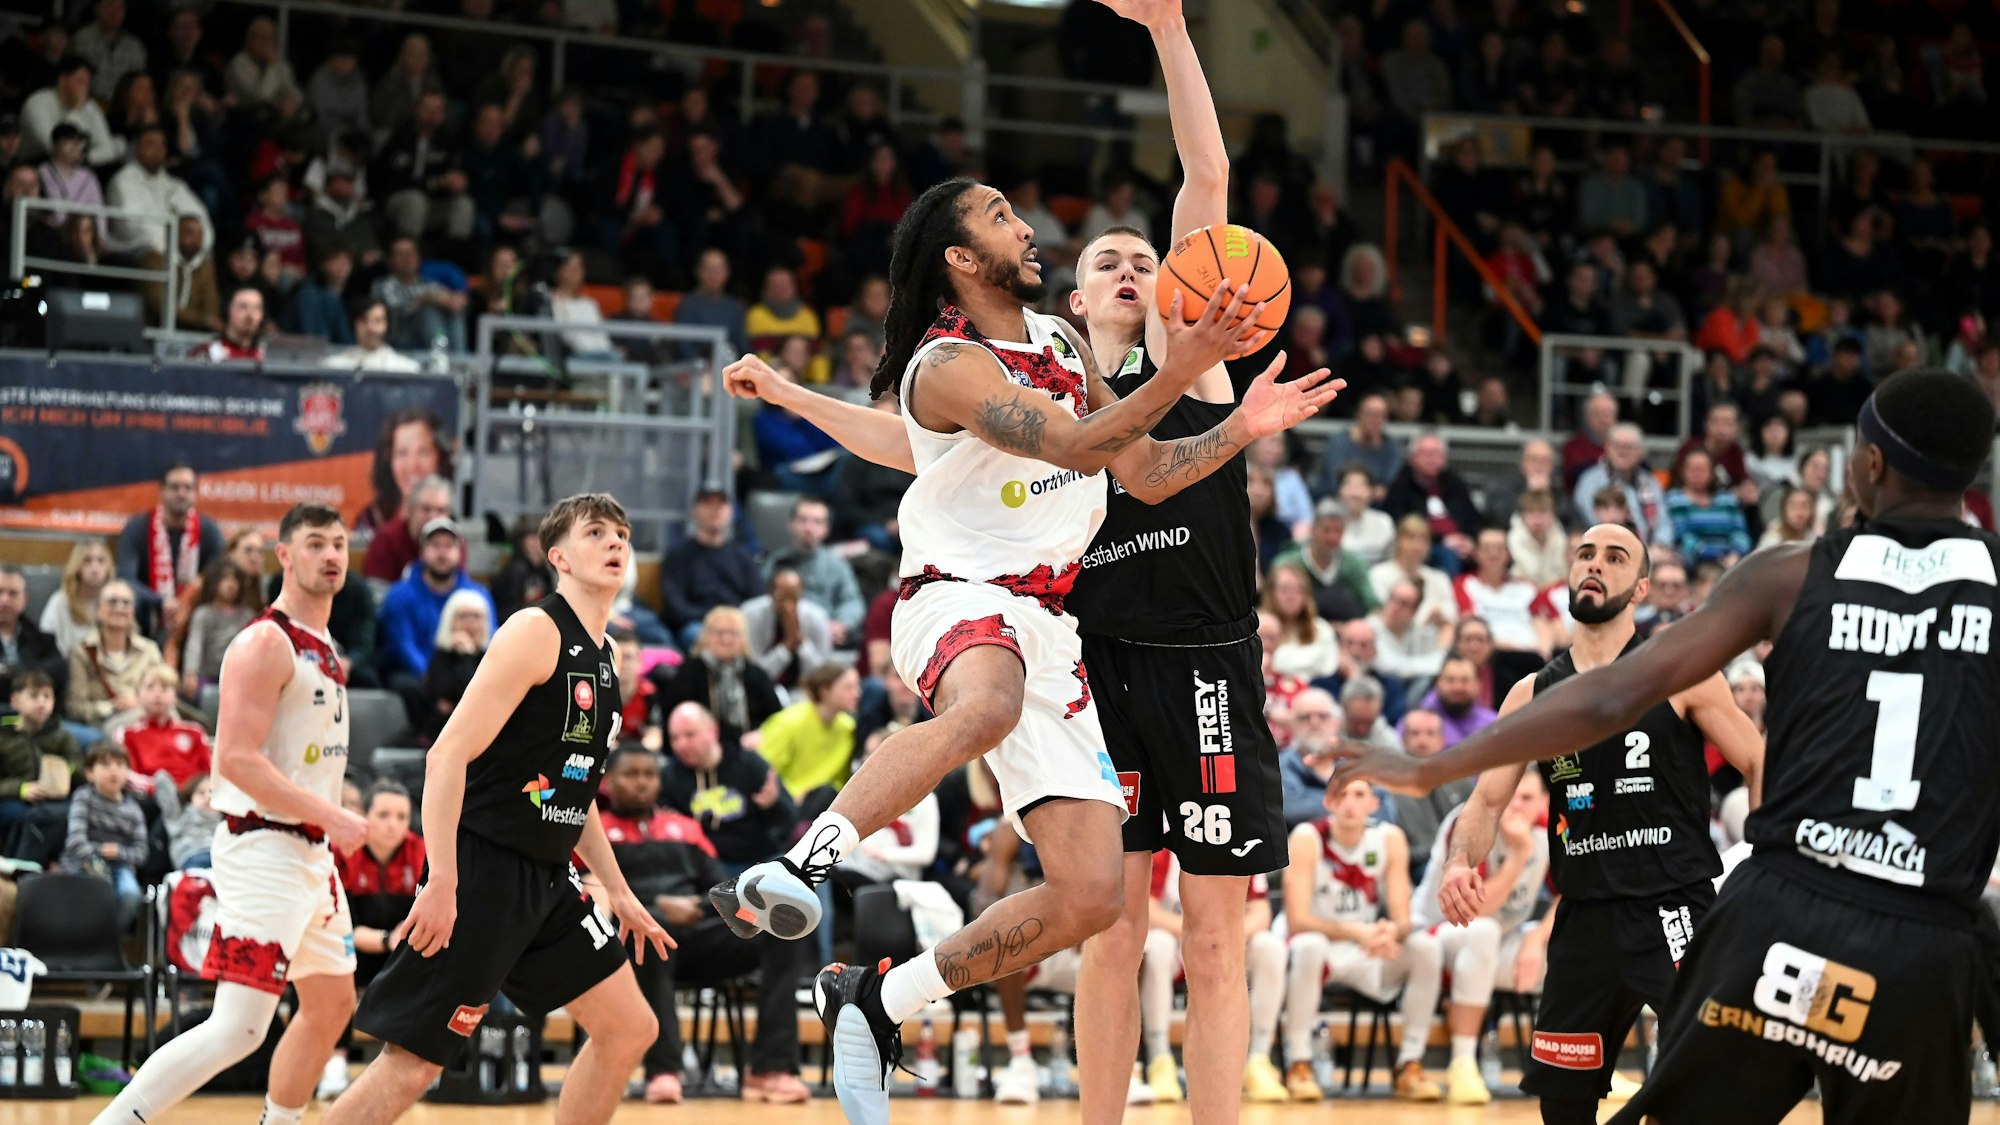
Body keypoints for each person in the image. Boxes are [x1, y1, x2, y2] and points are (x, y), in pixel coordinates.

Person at [709, 167, 1333, 1125]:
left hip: (1054, 629)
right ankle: (802, 863)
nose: (1026, 227)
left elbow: (1148, 470)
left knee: (1090, 899)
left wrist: (1242, 424)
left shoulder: (1059, 343)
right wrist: (1182, 368)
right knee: (988, 703)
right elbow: (1076, 446)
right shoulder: (943, 364)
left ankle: (884, 996)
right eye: (1002, 217)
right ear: (961, 258)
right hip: (956, 596)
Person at [1335, 521, 1766, 1125]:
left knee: (1706, 1084)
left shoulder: (1680, 671)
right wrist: (1460, 860)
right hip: (1584, 915)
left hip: (1673, 907)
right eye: (1586, 553)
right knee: (1563, 1104)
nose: (1596, 564)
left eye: (1616, 558)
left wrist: (1768, 863)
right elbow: (1485, 804)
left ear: (1642, 587)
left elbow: (1757, 762)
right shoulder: (1532, 693)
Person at [332, 495, 670, 1125]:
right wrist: (441, 879)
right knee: (417, 1062)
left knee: (629, 1028)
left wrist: (619, 892)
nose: (616, 542)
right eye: (597, 532)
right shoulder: (535, 630)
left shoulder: (605, 660)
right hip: (483, 871)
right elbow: (445, 757)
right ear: (558, 556)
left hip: (547, 881)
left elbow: (578, 793)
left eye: (623, 533)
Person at [91, 503, 368, 1125]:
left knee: (329, 1002)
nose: (331, 556)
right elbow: (236, 761)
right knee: (239, 1029)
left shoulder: (324, 647)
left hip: (310, 855)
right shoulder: (265, 642)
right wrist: (335, 812)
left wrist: (327, 820)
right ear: (285, 556)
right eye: (316, 543)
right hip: (264, 848)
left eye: (340, 545)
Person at [597, 745, 809, 1105]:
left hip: (696, 937)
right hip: (631, 941)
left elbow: (722, 891)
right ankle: (663, 1070)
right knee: (649, 930)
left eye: (649, 775)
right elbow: (589, 894)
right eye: (631, 775)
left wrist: (695, 904)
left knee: (779, 930)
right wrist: (654, 908)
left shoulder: (685, 827)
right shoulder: (597, 833)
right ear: (608, 782)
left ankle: (770, 1069)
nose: (642, 784)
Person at [1280, 778, 1444, 1101]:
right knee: (1309, 946)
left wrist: (1389, 932)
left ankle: (1409, 1062)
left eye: (1359, 795)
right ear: (1328, 801)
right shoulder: (1307, 837)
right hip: (1317, 946)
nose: (1350, 803)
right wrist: (1355, 931)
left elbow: (1403, 917)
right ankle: (1298, 1062)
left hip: (1365, 949)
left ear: (1374, 804)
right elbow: (1297, 921)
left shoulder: (1388, 838)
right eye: (1341, 795)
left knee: (1425, 947)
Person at [1407, 769, 1552, 1104]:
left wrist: (1535, 940)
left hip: (1499, 941)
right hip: (1436, 934)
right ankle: (1462, 1062)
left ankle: (1587, 1067)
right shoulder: (1471, 824)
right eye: (1511, 795)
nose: (1516, 806)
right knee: (1483, 932)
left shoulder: (1550, 828)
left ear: (1544, 801)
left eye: (1527, 798)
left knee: (1573, 951)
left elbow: (1569, 894)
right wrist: (1517, 857)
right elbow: (1476, 911)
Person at [1142, 850, 1286, 1103]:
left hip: (1227, 942)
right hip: (1176, 940)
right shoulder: (1162, 849)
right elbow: (1148, 911)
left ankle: (1259, 1059)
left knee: (1271, 948)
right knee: (1158, 945)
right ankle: (1159, 1058)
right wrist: (1199, 935)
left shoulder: (1243, 839)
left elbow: (1261, 913)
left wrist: (1224, 938)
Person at [328, 780, 425, 1097]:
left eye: (401, 816)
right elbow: (340, 927)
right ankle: (334, 1064)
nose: (393, 824)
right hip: (353, 948)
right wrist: (386, 939)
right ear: (364, 816)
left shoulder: (422, 852)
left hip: (406, 950)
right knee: (327, 970)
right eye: (383, 815)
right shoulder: (342, 852)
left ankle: (418, 1063)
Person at [375, 518, 495, 713]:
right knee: (406, 685)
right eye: (435, 545)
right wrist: (435, 683)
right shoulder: (399, 595)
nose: (442, 552)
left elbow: (489, 640)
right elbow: (402, 645)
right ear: (422, 551)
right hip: (419, 676)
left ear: (460, 552)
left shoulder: (479, 595)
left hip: (466, 670)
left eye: (449, 546)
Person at [660, 701, 795, 872]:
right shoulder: (670, 776)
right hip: (706, 866)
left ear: (713, 732)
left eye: (690, 735)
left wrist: (773, 805)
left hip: (758, 859)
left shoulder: (749, 764)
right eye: (674, 738)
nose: (681, 745)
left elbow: (789, 819)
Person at [658, 605, 783, 750]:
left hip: (750, 750)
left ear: (743, 638)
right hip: (703, 750)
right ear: (706, 636)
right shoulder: (689, 673)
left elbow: (777, 719)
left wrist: (761, 734)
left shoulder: (755, 674)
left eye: (733, 633)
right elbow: (673, 718)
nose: (726, 639)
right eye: (719, 633)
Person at [118, 462, 225, 630]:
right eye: (175, 487)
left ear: (195, 493)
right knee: (125, 597)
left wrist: (188, 601)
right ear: (162, 491)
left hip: (194, 612)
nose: (181, 494)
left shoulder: (209, 530)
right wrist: (161, 601)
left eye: (188, 488)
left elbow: (220, 577)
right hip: (148, 611)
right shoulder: (137, 527)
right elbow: (125, 577)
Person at [659, 485, 761, 648]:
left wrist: (732, 620)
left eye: (721, 505)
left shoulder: (743, 556)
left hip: (738, 623)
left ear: (731, 512)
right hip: (697, 625)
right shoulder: (678, 556)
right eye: (708, 504)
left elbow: (757, 599)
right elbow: (675, 606)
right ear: (695, 510)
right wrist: (715, 620)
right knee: (699, 635)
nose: (715, 510)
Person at [761, 498, 865, 646]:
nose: (809, 528)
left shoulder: (837, 565)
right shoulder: (776, 562)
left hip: (826, 637)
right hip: (782, 636)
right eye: (803, 520)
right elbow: (762, 600)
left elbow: (852, 601)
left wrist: (841, 624)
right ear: (791, 524)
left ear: (826, 529)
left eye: (817, 522)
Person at [66, 743, 147, 928]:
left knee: (130, 894)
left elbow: (141, 852)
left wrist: (119, 852)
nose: (114, 771)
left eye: (120, 765)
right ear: (89, 773)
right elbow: (75, 841)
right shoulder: (83, 797)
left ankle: (109, 943)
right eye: (105, 765)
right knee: (99, 888)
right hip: (82, 863)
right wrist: (99, 851)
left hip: (120, 867)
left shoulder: (134, 810)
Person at [756, 661, 860, 802]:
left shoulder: (848, 728)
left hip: (828, 803)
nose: (857, 694)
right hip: (788, 802)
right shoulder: (789, 722)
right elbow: (762, 772)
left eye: (857, 686)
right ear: (825, 691)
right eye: (848, 687)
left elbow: (840, 781)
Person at [67, 580, 164, 727]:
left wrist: (139, 704)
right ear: (98, 610)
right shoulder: (82, 652)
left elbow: (162, 693)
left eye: (126, 603)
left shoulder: (149, 650)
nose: (120, 608)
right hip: (102, 727)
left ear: (133, 611)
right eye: (112, 602)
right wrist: (111, 707)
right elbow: (75, 706)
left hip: (144, 722)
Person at [0, 671, 76, 845]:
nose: (42, 703)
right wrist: (21, 789)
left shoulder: (62, 736)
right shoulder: (3, 736)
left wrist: (63, 772)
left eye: (47, 696)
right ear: (15, 701)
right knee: (25, 816)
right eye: (34, 696)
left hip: (54, 800)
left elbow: (78, 768)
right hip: (14, 801)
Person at [119, 665, 211, 794]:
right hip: (152, 798)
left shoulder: (195, 731)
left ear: (175, 696)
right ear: (138, 694)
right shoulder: (127, 734)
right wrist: (165, 790)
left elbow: (209, 772)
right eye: (150, 687)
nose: (157, 694)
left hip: (194, 797)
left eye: (164, 688)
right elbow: (129, 775)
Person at [740, 570, 833, 692]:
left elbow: (821, 675)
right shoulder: (750, 615)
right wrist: (787, 645)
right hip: (761, 691)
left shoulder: (817, 617)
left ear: (802, 595)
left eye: (794, 597)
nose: (787, 605)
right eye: (781, 597)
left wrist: (802, 644)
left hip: (803, 691)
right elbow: (755, 674)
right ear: (769, 594)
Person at [419, 590, 491, 742]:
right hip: (444, 735)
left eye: (476, 616)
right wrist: (466, 656)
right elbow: (449, 694)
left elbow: (478, 700)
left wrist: (467, 656)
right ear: (450, 621)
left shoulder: (492, 657)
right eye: (463, 616)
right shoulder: (441, 657)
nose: (470, 623)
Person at [362, 475, 454, 585]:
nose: (433, 517)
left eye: (440, 510)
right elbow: (376, 591)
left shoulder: (454, 543)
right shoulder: (386, 539)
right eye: (426, 509)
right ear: (410, 511)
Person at [0, 565, 63, 704]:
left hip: (33, 718)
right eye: (0, 592)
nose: (4, 600)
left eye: (13, 593)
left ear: (25, 599)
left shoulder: (43, 640)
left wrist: (10, 673)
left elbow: (59, 673)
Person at [40, 538, 113, 657]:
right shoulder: (60, 601)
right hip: (67, 668)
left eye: (101, 561)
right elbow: (46, 641)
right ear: (77, 566)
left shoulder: (115, 602)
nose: (95, 568)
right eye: (87, 561)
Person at [326, 297, 421, 372]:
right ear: (353, 325)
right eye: (364, 321)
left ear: (387, 325)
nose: (370, 328)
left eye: (378, 321)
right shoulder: (333, 367)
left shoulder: (407, 369)